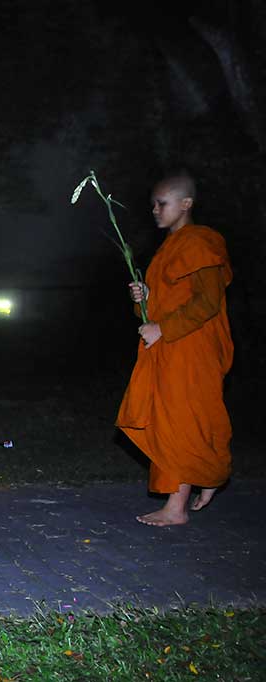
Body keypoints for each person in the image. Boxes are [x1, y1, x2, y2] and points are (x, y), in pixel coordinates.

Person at [117, 172, 233, 527]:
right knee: (167, 421)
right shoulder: (166, 250)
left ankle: (177, 506)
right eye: (153, 204)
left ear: (186, 204)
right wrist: (145, 300)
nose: (154, 209)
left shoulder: (201, 242)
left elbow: (207, 303)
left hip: (190, 348)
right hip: (167, 347)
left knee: (183, 422)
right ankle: (200, 480)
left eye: (162, 203)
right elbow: (161, 305)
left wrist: (164, 328)